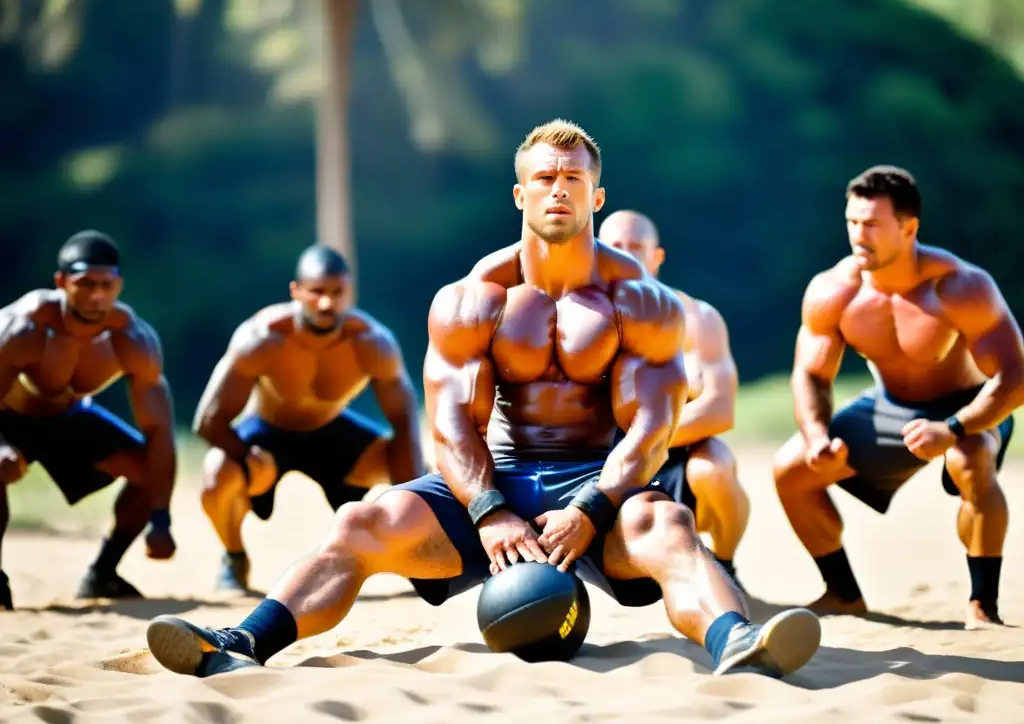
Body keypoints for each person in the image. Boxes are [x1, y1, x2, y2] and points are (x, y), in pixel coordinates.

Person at [146, 119, 820, 679]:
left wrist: (591, 507)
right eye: (546, 180)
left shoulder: (640, 300)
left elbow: (653, 423)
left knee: (669, 528)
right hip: (495, 476)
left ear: (598, 196)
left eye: (574, 179)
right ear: (520, 194)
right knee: (362, 522)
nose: (559, 190)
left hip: (597, 480)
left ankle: (736, 642)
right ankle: (240, 643)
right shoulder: (476, 299)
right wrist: (491, 509)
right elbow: (450, 419)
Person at [773, 166, 1022, 629]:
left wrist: (953, 428)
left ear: (909, 228)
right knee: (791, 471)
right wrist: (815, 436)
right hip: (891, 406)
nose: (857, 235)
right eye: (851, 223)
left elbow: (1015, 376)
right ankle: (844, 594)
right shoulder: (835, 290)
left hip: (967, 405)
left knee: (970, 463)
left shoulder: (959, 286)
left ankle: (982, 607)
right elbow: (810, 374)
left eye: (871, 225)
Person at [193, 244, 425, 592]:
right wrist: (244, 456)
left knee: (429, 473)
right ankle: (234, 557)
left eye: (336, 293)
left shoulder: (372, 343)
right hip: (269, 435)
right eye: (316, 292)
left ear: (349, 291)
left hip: (332, 433)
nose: (327, 303)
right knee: (217, 474)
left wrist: (411, 511)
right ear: (296, 291)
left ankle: (416, 556)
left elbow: (405, 420)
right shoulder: (262, 337)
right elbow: (208, 420)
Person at [0, 231, 177, 609]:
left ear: (119, 285)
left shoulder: (132, 338)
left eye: (106, 285)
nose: (97, 295)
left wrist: (161, 519)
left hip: (71, 418)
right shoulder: (23, 328)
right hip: (9, 417)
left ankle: (103, 573)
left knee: (149, 469)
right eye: (85, 284)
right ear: (61, 282)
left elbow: (160, 430)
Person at [598, 210, 749, 587]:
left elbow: (719, 409)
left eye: (637, 247)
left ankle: (726, 565)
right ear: (598, 253)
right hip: (603, 461)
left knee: (713, 467)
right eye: (617, 248)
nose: (628, 256)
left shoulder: (697, 318)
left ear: (657, 256)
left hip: (671, 450)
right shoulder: (579, 319)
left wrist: (644, 442)